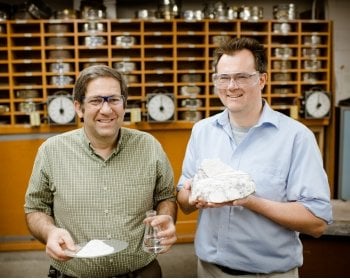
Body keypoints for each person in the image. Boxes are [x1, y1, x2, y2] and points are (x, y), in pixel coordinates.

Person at [176, 37, 332, 277]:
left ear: (262, 79)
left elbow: (317, 221)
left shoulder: (296, 137)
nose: (231, 86)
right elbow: (184, 200)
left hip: (268, 274)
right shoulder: (202, 131)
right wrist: (193, 194)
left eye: (241, 77)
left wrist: (249, 201)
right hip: (208, 271)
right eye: (223, 78)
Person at [24, 65, 177, 277]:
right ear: (78, 107)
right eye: (96, 101)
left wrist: (166, 218)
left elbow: (166, 196)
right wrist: (50, 232)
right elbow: (35, 208)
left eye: (114, 99)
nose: (106, 110)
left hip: (141, 271)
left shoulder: (149, 146)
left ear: (124, 104)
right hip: (73, 273)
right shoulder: (52, 151)